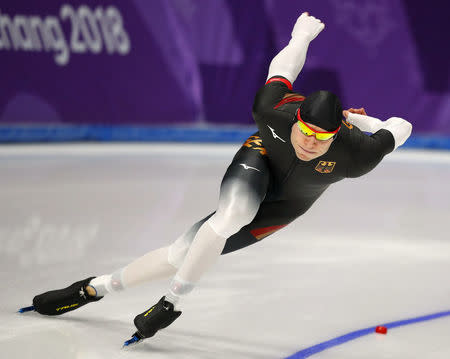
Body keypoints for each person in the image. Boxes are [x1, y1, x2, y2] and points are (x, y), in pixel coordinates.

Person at [23, 12, 412, 343]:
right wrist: (300, 37)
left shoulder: (356, 154)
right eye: (306, 132)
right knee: (233, 214)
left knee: (181, 254)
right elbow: (283, 69)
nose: (310, 143)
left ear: (335, 136)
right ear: (295, 119)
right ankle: (173, 304)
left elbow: (402, 126)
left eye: (321, 138)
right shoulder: (273, 110)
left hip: (287, 204)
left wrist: (364, 122)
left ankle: (93, 288)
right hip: (258, 159)